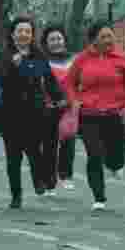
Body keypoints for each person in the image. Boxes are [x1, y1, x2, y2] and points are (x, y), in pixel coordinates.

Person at [64, 22, 125, 211]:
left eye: (110, 36)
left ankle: (114, 164)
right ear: (94, 39)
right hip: (89, 115)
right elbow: (69, 83)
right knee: (94, 155)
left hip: (116, 114)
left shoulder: (122, 57)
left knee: (116, 159)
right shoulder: (82, 59)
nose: (108, 40)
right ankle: (99, 197)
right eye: (103, 36)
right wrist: (74, 102)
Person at [0, 16, 64, 209]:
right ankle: (16, 196)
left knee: (34, 151)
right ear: (13, 34)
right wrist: (12, 66)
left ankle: (39, 180)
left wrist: (59, 97)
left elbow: (48, 78)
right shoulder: (5, 55)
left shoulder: (38, 55)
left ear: (32, 35)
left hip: (35, 111)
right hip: (11, 113)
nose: (24, 34)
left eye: (28, 31)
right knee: (13, 156)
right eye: (20, 31)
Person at [40, 25, 77, 193]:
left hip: (69, 106)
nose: (56, 42)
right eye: (52, 39)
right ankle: (49, 179)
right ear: (46, 43)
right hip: (49, 106)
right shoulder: (42, 60)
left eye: (59, 38)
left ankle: (66, 175)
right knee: (49, 144)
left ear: (64, 40)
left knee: (69, 140)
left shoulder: (74, 60)